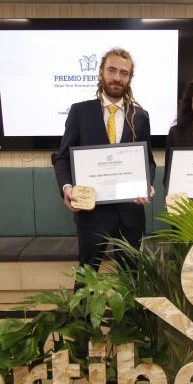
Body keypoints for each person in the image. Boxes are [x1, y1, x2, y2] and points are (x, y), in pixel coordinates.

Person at [54, 47, 156, 272]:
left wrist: (147, 183)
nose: (117, 77)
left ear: (129, 78)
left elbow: (148, 160)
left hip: (130, 213)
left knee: (130, 278)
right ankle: (84, 310)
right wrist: (67, 187)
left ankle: (130, 310)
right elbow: (62, 158)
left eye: (124, 73)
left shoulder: (140, 116)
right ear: (100, 72)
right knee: (86, 278)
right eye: (112, 70)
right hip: (91, 213)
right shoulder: (79, 112)